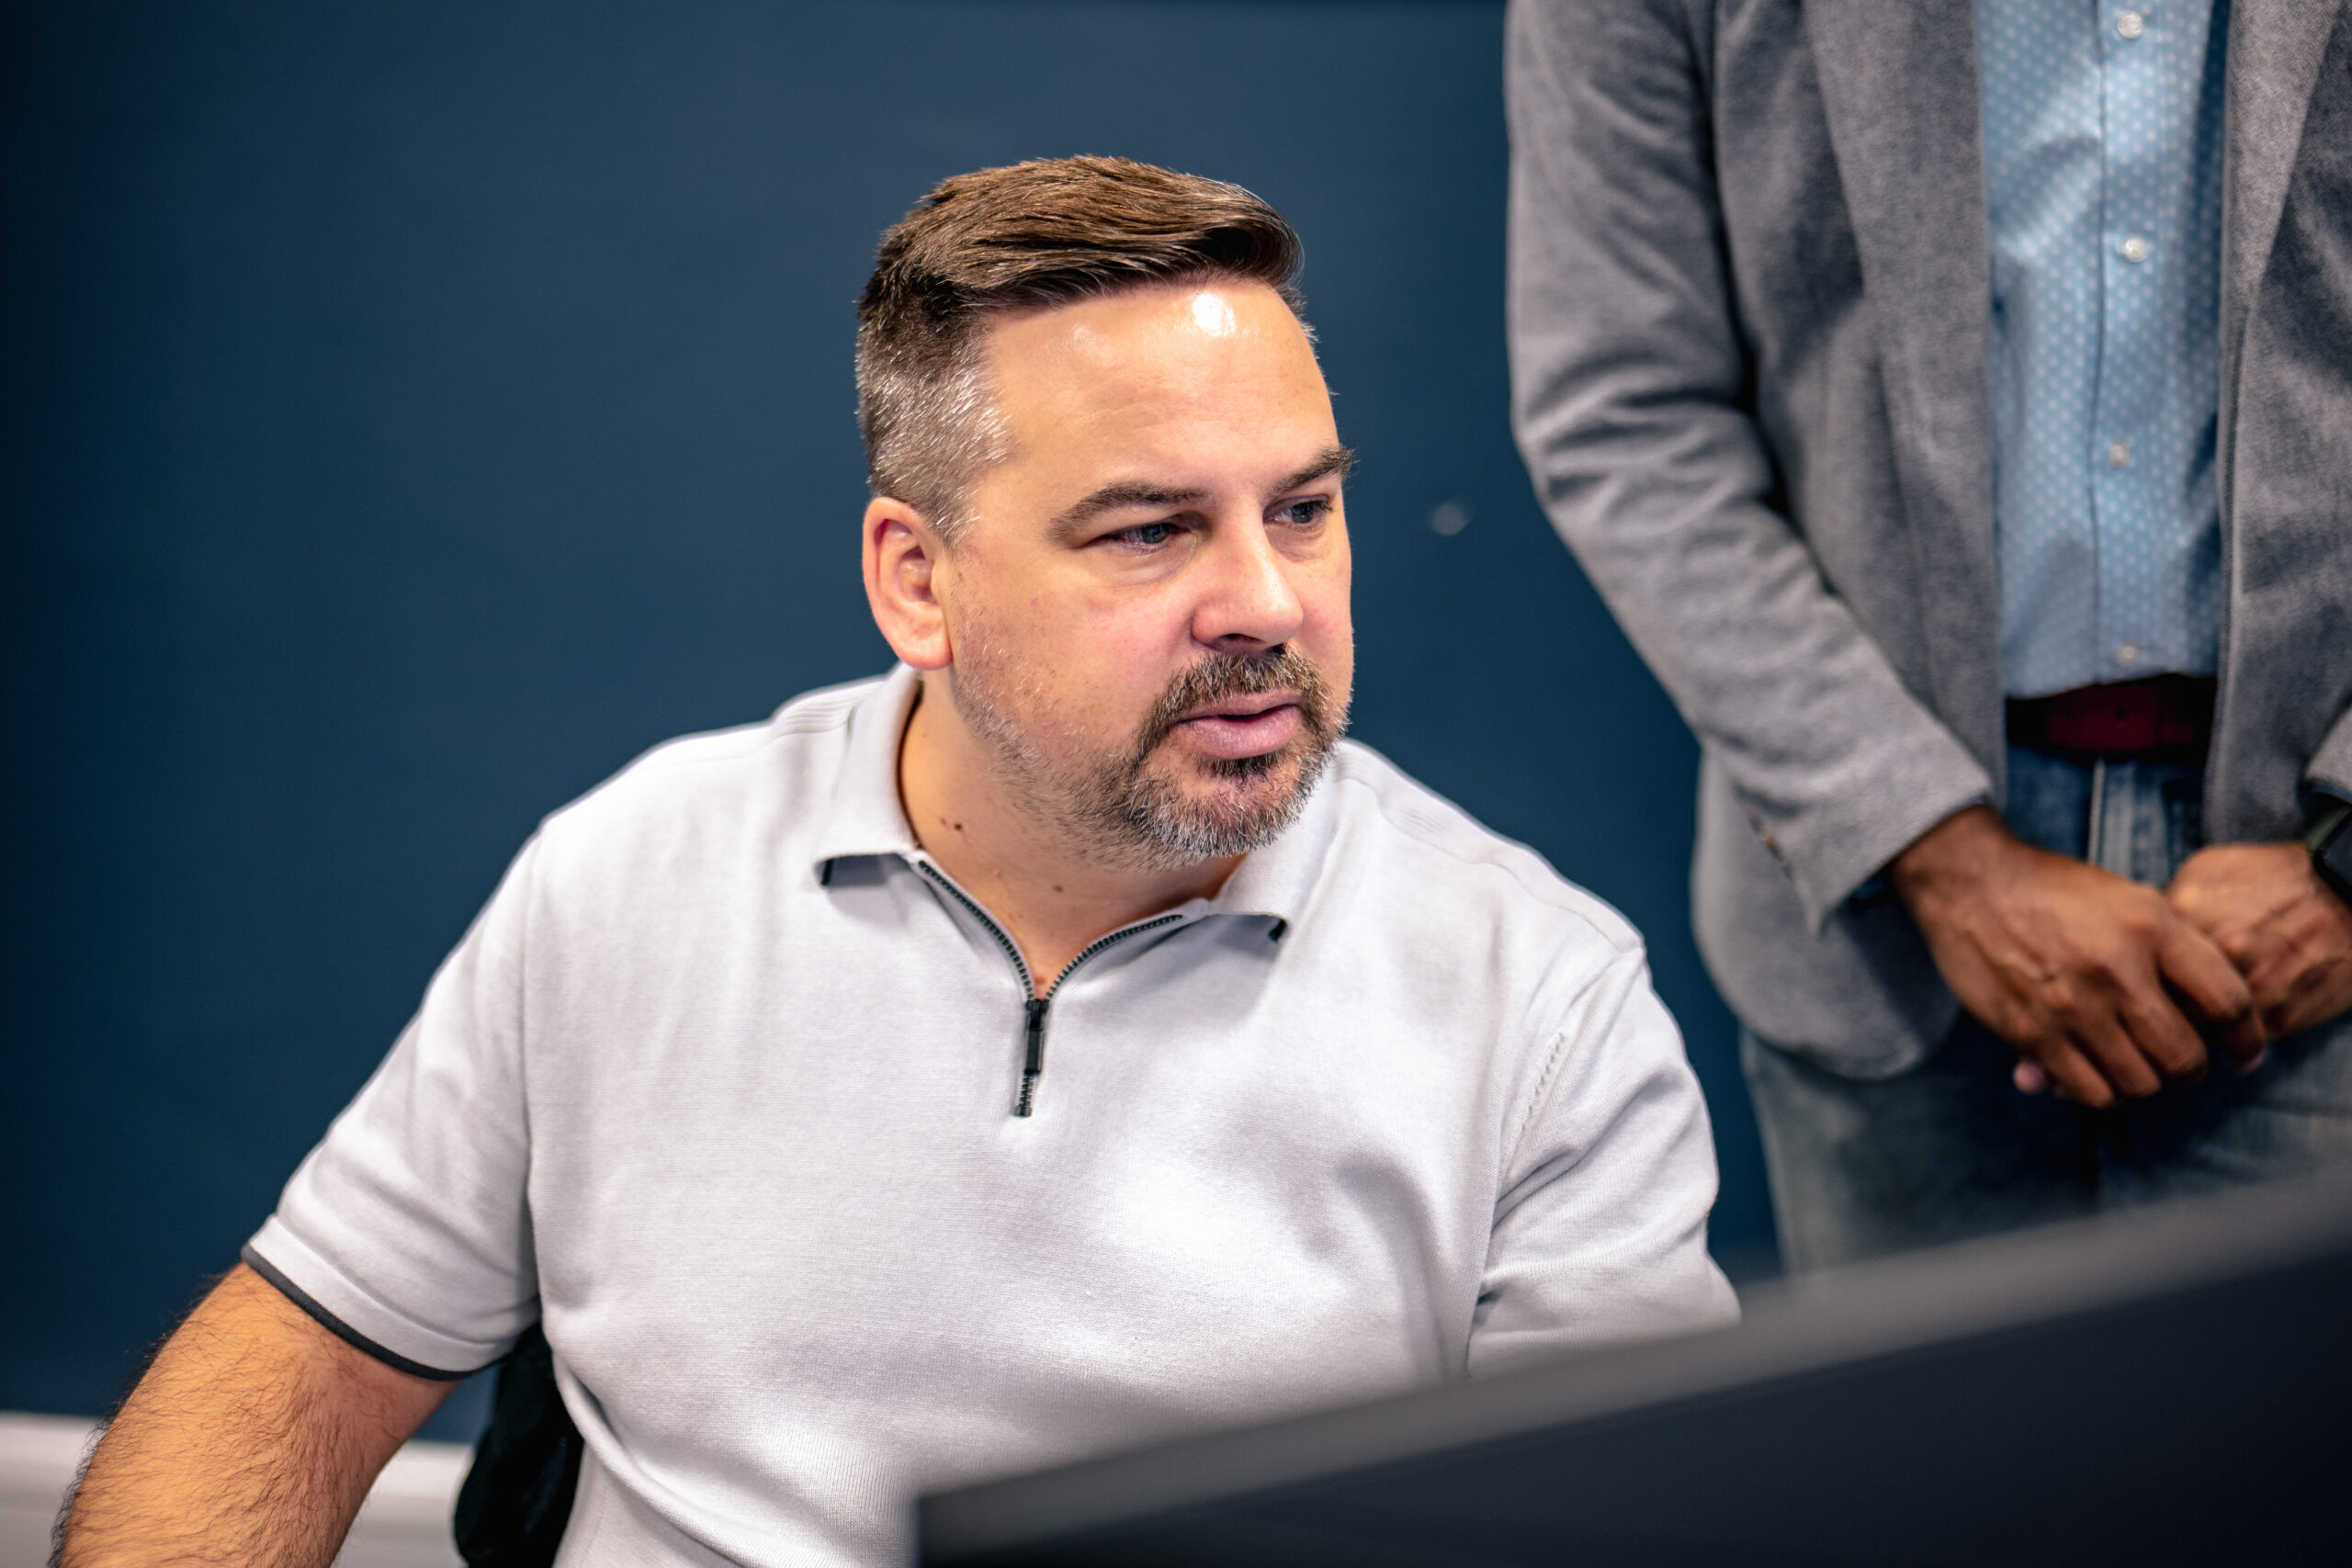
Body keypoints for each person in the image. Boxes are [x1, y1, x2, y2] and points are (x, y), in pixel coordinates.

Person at [60, 156, 1736, 1568]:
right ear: (915, 581)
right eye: (1152, 530)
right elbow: (291, 1361)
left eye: (1301, 509)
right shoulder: (635, 874)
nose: (1270, 604)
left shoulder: (1545, 1008)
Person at [1506, 0, 2352, 1272]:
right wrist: (1941, 856)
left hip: (2319, 902)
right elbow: (1624, 412)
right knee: (1929, 1469)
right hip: (1878, 918)